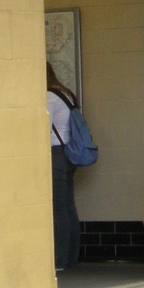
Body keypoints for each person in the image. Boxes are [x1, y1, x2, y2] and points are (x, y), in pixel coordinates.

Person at [46, 63, 83, 271]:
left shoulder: (48, 97)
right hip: (69, 153)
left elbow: (42, 124)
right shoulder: (66, 93)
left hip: (56, 154)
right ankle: (71, 257)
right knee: (68, 205)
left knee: (59, 207)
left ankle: (60, 259)